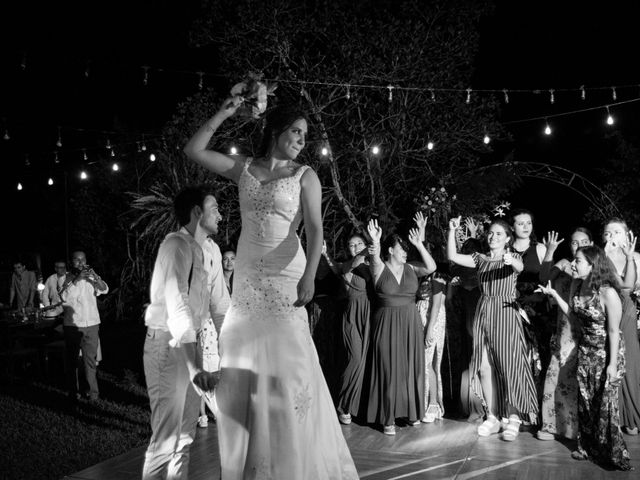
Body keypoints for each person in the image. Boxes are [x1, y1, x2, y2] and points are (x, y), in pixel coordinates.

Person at [184, 99, 358, 479]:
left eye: (305, 135)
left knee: (289, 366)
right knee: (241, 362)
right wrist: (226, 110)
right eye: (296, 131)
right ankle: (254, 463)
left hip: (287, 278)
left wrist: (310, 276)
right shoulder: (245, 168)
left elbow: (315, 230)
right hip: (247, 279)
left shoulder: (306, 175)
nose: (301, 140)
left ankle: (295, 461)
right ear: (276, 130)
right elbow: (193, 150)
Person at [142, 185, 228, 480]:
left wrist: (228, 348)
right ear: (196, 212)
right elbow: (177, 306)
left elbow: (220, 306)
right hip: (168, 345)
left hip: (196, 344)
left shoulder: (213, 251)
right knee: (166, 439)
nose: (221, 214)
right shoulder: (175, 246)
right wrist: (193, 367)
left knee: (185, 440)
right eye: (215, 208)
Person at [538, 246, 632, 470]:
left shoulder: (607, 292)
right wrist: (553, 295)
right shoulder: (579, 286)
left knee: (605, 405)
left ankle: (613, 454)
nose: (573, 263)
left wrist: (611, 365)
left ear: (592, 265)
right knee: (586, 402)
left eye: (578, 260)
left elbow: (612, 331)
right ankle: (587, 447)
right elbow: (572, 314)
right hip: (586, 351)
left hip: (607, 352)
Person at [447, 216, 538, 441]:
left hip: (505, 311)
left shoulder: (512, 257)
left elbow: (520, 266)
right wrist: (452, 231)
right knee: (485, 367)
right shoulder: (480, 259)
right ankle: (494, 416)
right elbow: (452, 256)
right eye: (490, 233)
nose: (493, 236)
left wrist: (509, 259)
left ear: (507, 238)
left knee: (509, 366)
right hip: (484, 310)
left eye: (499, 234)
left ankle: (514, 416)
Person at [365, 217, 436, 435]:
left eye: (406, 248)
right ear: (390, 250)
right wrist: (375, 241)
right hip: (386, 322)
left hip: (410, 321)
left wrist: (419, 245)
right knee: (388, 368)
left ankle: (412, 413)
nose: (405, 252)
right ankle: (388, 418)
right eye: (401, 248)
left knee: (410, 367)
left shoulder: (412, 268)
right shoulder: (378, 267)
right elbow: (374, 256)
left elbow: (431, 267)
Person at [536, 228, 591, 441]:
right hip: (564, 329)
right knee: (555, 375)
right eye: (575, 242)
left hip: (586, 330)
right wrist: (550, 251)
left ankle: (578, 430)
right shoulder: (564, 264)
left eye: (584, 241)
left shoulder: (594, 270)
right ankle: (551, 425)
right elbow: (544, 278)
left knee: (580, 381)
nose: (579, 245)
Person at [322, 233, 374, 425]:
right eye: (351, 245)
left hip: (370, 313)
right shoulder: (348, 264)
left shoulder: (372, 264)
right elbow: (346, 266)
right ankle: (343, 406)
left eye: (358, 243)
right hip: (352, 315)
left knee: (366, 362)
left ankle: (357, 407)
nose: (355, 247)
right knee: (355, 359)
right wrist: (368, 248)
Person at [602, 218, 640, 436]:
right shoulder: (599, 257)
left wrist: (628, 259)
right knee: (608, 358)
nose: (612, 236)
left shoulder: (636, 258)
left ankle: (631, 415)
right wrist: (604, 258)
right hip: (603, 310)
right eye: (608, 232)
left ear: (627, 235)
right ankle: (612, 415)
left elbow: (628, 287)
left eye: (617, 231)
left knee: (631, 361)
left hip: (626, 311)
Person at [510, 209, 550, 393]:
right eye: (520, 223)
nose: (525, 227)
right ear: (512, 227)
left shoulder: (541, 248)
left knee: (539, 355)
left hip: (537, 309)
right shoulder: (505, 250)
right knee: (515, 354)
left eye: (529, 223)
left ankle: (537, 401)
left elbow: (547, 279)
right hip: (511, 306)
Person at [60, 251, 108, 403]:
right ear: (72, 262)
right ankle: (73, 393)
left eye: (83, 259)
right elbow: (64, 298)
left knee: (90, 361)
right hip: (73, 326)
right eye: (77, 260)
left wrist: (95, 277)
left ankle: (93, 394)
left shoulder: (91, 276)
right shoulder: (65, 278)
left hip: (92, 324)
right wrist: (77, 280)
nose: (80, 262)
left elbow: (104, 289)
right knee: (72, 361)